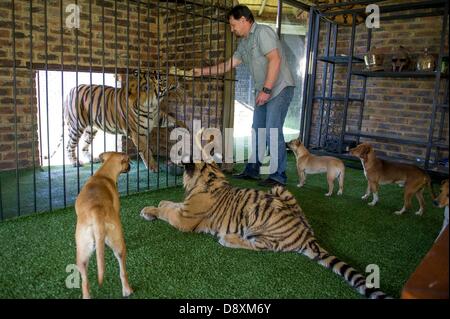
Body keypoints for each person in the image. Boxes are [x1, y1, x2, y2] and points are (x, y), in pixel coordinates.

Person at [193, 5, 295, 187]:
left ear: (243, 20)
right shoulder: (244, 43)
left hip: (278, 88)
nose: (232, 29)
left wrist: (267, 90)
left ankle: (278, 176)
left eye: (233, 25)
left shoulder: (263, 32)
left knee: (272, 130)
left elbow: (275, 59)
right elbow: (227, 65)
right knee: (257, 130)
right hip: (263, 91)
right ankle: (252, 170)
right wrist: (201, 71)